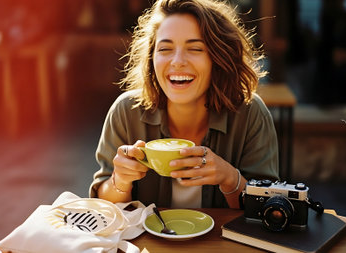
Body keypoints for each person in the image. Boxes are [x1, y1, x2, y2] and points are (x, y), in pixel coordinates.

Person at [90, 0, 279, 209]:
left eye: (195, 48)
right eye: (165, 48)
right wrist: (120, 181)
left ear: (218, 57)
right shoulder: (126, 112)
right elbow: (102, 206)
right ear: (152, 58)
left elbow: (268, 208)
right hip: (145, 242)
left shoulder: (251, 114)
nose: (177, 61)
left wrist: (229, 178)